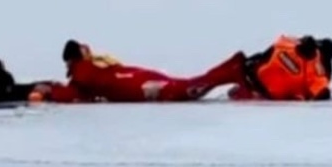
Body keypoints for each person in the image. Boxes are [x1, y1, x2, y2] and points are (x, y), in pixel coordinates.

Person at [60, 39, 247, 102]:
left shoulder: (85, 70)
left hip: (142, 85)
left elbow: (72, 92)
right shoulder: (87, 69)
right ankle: (233, 70)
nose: (88, 49)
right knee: (189, 87)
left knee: (188, 89)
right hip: (142, 81)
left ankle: (234, 71)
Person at [228, 35, 332, 102]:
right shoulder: (291, 46)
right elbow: (272, 50)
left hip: (271, 88)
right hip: (261, 76)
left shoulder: (320, 71)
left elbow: (319, 90)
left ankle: (246, 81)